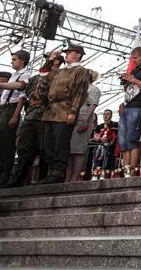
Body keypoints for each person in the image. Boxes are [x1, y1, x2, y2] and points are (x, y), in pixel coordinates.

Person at [40, 44, 90, 184]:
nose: (66, 54)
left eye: (70, 52)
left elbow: (80, 92)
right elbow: (44, 74)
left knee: (60, 144)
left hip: (65, 109)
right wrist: (50, 60)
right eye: (66, 52)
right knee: (48, 144)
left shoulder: (81, 70)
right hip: (51, 111)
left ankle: (58, 172)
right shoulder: (60, 72)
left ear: (78, 55)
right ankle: (50, 171)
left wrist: (73, 111)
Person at [6, 51, 57, 187]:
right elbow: (22, 90)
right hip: (30, 116)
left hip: (46, 118)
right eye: (48, 59)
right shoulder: (34, 78)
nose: (50, 62)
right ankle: (17, 180)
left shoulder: (57, 77)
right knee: (24, 149)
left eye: (54, 60)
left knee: (44, 150)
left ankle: (42, 180)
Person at [0, 50, 31, 186]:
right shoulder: (13, 75)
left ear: (22, 60)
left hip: (11, 109)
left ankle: (5, 174)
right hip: (3, 109)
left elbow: (20, 92)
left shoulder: (25, 74)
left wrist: (15, 115)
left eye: (15, 59)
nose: (12, 61)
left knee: (6, 144)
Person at [67, 70, 100, 182]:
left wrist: (85, 121)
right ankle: (68, 177)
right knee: (70, 150)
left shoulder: (93, 89)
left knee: (78, 150)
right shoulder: (78, 89)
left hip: (82, 119)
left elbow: (92, 105)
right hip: (72, 120)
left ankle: (75, 178)